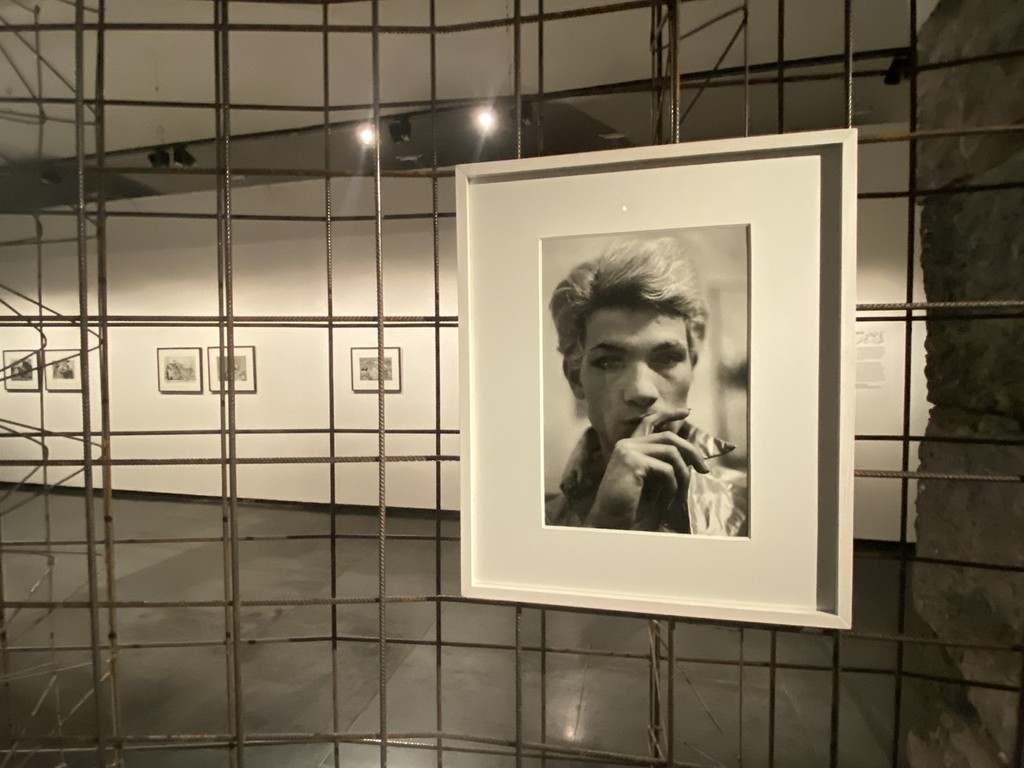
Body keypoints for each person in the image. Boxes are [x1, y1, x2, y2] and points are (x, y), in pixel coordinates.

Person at [545, 237, 747, 536]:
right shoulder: (539, 524)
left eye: (667, 358)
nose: (642, 391)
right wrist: (604, 524)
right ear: (576, 378)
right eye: (609, 362)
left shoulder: (751, 509)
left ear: (691, 365)